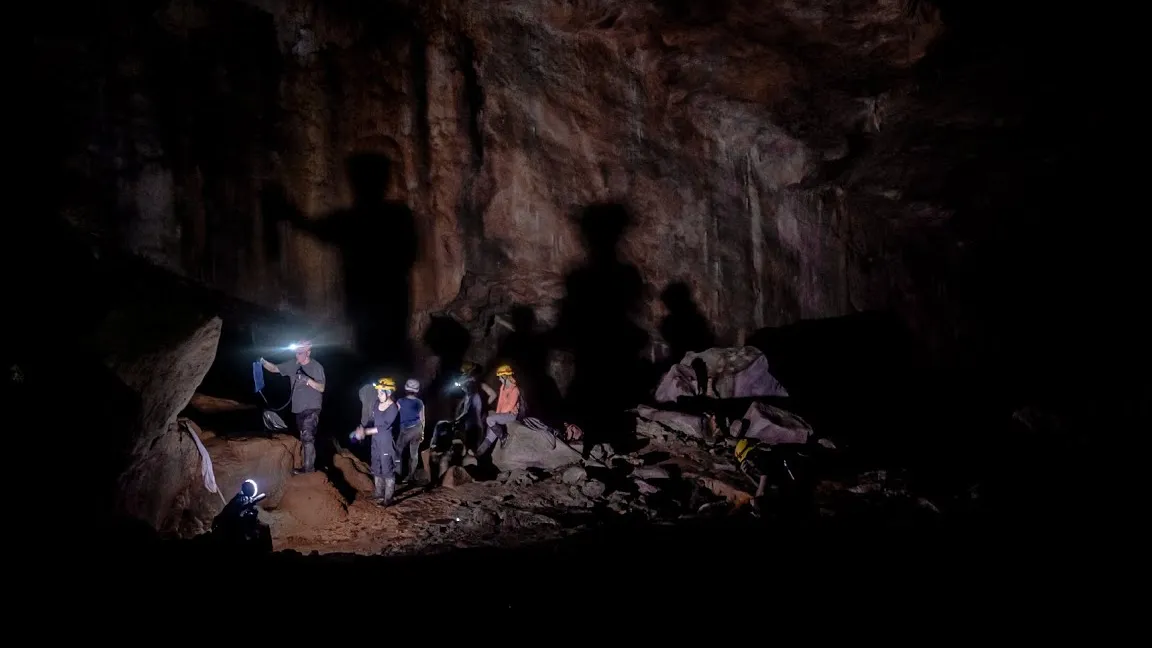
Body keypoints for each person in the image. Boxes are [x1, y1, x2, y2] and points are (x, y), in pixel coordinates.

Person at [260, 340, 326, 475]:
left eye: (300, 353)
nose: (297, 356)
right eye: (296, 352)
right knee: (303, 436)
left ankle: (308, 470)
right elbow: (274, 369)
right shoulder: (293, 364)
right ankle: (306, 466)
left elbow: (322, 387)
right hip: (298, 409)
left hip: (312, 407)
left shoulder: (316, 366)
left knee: (307, 436)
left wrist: (307, 380)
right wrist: (262, 361)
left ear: (308, 352)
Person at [351, 377, 400, 505]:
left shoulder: (393, 408)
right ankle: (378, 493)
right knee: (376, 464)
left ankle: (388, 498)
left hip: (386, 441)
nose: (378, 395)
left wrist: (366, 432)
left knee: (386, 467)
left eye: (381, 393)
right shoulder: (377, 404)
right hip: (376, 441)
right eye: (378, 392)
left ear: (389, 393)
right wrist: (363, 427)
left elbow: (383, 427)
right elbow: (372, 420)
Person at [477, 364, 526, 456]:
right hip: (503, 415)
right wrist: (497, 414)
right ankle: (477, 454)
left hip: (511, 415)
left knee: (490, 419)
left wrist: (497, 417)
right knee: (489, 437)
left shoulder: (515, 389)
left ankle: (504, 437)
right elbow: (500, 402)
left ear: (505, 377)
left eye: (500, 377)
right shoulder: (502, 387)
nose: (499, 379)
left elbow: (510, 406)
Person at [396, 378, 425, 484]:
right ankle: (410, 476)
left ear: (406, 388)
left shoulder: (400, 401)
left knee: (398, 452)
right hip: (417, 429)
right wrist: (422, 433)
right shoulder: (420, 402)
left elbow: (393, 414)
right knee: (414, 454)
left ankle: (397, 475)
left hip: (405, 430)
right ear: (417, 390)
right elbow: (422, 419)